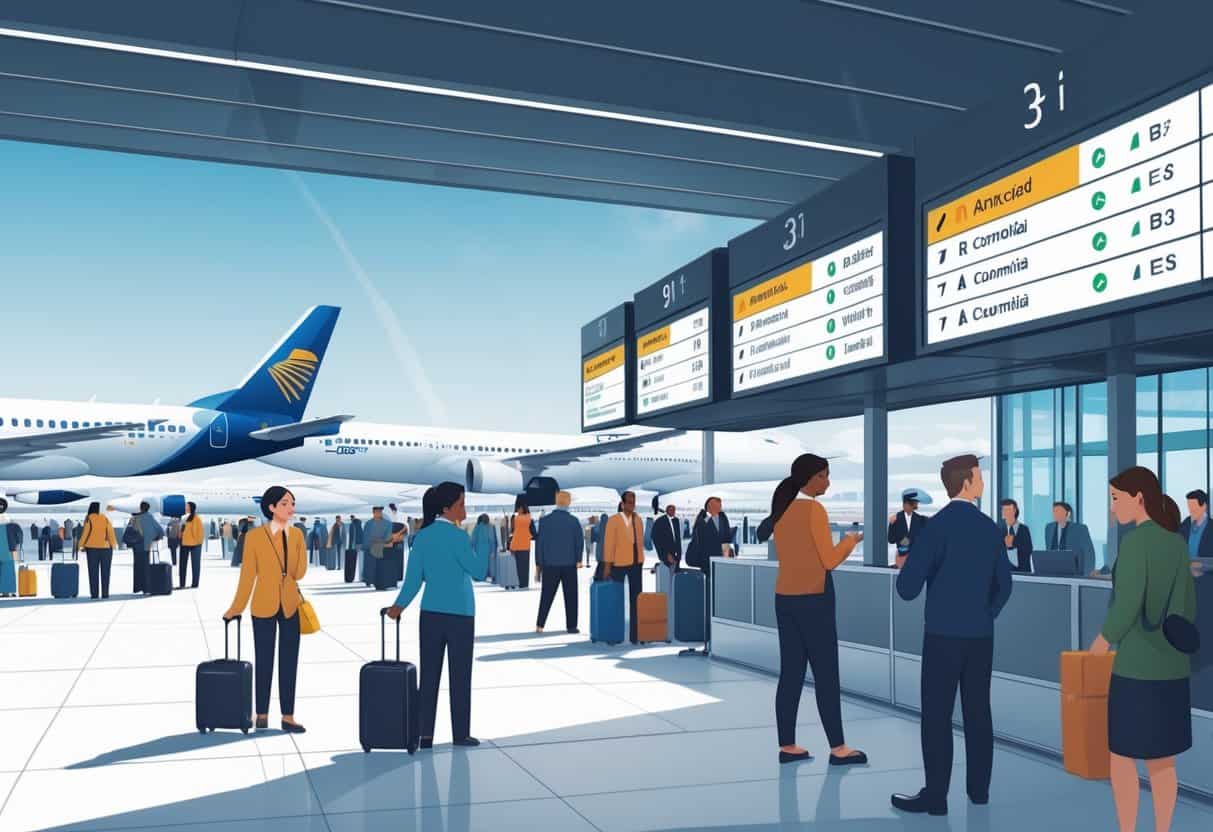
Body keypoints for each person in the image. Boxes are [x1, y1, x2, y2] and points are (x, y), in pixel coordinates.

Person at [892, 454, 1013, 816]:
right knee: (979, 713)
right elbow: (1004, 586)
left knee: (937, 715)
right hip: (980, 636)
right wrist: (984, 614)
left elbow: (907, 588)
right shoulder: (990, 528)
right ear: (966, 483)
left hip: (942, 636)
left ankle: (936, 798)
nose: (982, 482)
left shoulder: (935, 528)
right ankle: (979, 793)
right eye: (979, 476)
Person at [1091, 467, 1196, 832]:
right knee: (1163, 761)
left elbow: (1126, 605)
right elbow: (1188, 608)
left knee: (1122, 757)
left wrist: (1100, 644)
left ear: (1139, 497)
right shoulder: (1177, 544)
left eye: (1116, 499)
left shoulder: (1135, 544)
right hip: (1172, 668)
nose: (1112, 508)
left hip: (1136, 668)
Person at [769, 454, 867, 767]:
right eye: (824, 475)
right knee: (826, 675)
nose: (828, 481)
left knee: (791, 674)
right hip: (814, 599)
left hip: (785, 597)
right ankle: (838, 748)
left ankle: (787, 745)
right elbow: (828, 560)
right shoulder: (813, 509)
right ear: (811, 478)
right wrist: (850, 541)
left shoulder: (782, 509)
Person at [386, 482, 488, 750]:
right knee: (460, 676)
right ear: (447, 508)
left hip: (430, 614)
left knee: (429, 675)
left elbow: (413, 581)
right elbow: (478, 571)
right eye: (461, 504)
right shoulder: (458, 538)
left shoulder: (422, 537)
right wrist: (486, 540)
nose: (465, 509)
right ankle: (460, 734)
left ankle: (425, 735)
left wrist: (398, 607)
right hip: (461, 614)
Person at [224, 486, 308, 734]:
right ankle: (261, 713)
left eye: (292, 503)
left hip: (290, 604)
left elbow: (300, 572)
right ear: (271, 508)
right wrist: (236, 608)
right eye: (285, 503)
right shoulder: (255, 537)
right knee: (264, 660)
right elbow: (247, 576)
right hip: (263, 604)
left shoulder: (297, 536)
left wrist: (296, 549)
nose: (291, 508)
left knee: (289, 662)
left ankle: (288, 716)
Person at [685, 496, 735, 646]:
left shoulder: (723, 517)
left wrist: (728, 555)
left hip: (721, 562)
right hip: (706, 563)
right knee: (708, 597)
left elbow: (726, 538)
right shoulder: (702, 519)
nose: (718, 508)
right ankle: (707, 632)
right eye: (716, 506)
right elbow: (698, 537)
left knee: (719, 596)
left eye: (720, 506)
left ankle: (719, 630)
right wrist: (706, 519)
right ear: (708, 506)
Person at [536, 491, 583, 634]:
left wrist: (539, 564)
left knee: (546, 595)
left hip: (550, 564)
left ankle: (540, 625)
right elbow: (579, 542)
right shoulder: (574, 521)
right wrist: (578, 559)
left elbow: (540, 544)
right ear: (568, 502)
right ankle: (572, 626)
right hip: (569, 564)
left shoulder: (545, 521)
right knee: (571, 596)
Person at [603, 491, 647, 644]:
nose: (632, 505)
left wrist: (641, 559)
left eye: (633, 502)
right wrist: (607, 565)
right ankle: (613, 634)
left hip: (636, 564)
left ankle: (636, 635)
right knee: (616, 600)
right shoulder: (613, 520)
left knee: (637, 600)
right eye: (629, 502)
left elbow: (640, 541)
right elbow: (609, 544)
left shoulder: (638, 519)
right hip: (618, 564)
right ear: (622, 504)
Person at [1043, 501, 1098, 576]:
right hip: (1054, 570)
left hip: (1074, 570)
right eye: (1054, 511)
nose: (1055, 514)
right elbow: (1048, 550)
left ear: (1068, 514)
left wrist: (1088, 574)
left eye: (1058, 511)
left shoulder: (1080, 529)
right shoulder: (1049, 528)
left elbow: (1089, 553)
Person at [79, 502, 118, 599]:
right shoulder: (104, 518)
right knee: (106, 572)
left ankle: (94, 594)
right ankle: (105, 594)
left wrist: (80, 545)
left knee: (93, 572)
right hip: (106, 549)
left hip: (92, 549)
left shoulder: (89, 518)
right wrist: (113, 544)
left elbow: (85, 533)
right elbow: (110, 532)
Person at [888, 489, 928, 568]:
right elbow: (891, 540)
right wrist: (891, 525)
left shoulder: (922, 520)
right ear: (907, 503)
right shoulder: (895, 519)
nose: (917, 504)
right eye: (915, 502)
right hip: (901, 560)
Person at [131, 502, 163, 595]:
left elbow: (131, 530)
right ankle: (146, 588)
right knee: (145, 568)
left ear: (140, 508)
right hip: (146, 546)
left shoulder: (135, 518)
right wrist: (156, 537)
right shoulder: (150, 518)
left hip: (136, 546)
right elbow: (159, 530)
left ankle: (137, 587)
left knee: (137, 567)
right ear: (148, 509)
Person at [997, 498, 1033, 573]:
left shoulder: (1024, 529)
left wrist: (1014, 543)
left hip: (1022, 571)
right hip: (1004, 570)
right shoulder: (998, 529)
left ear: (1015, 511)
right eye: (1003, 510)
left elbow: (1029, 549)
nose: (1005, 512)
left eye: (1008, 509)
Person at [362, 507, 393, 587]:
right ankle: (369, 580)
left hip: (382, 548)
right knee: (369, 565)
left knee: (380, 566)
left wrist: (382, 543)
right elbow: (365, 535)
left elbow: (388, 536)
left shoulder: (387, 523)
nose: (378, 513)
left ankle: (380, 581)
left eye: (379, 511)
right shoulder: (368, 524)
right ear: (373, 512)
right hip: (369, 547)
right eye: (376, 512)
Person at [1179, 489, 1213, 562]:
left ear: (1204, 506)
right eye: (1189, 506)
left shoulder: (1211, 527)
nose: (1190, 510)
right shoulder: (1185, 523)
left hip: (1207, 571)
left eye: (1193, 506)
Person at [509, 499, 535, 589]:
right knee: (525, 567)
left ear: (521, 509)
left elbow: (515, 533)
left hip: (517, 546)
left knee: (518, 568)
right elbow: (533, 533)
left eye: (518, 508)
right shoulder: (529, 518)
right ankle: (525, 583)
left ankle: (520, 583)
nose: (517, 510)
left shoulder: (517, 519)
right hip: (526, 546)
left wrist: (511, 546)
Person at [179, 502, 204, 589]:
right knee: (184, 564)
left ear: (190, 507)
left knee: (194, 564)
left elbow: (199, 532)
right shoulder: (184, 517)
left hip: (194, 544)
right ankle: (183, 584)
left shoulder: (196, 518)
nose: (185, 507)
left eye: (186, 506)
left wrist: (198, 542)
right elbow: (181, 530)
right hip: (186, 543)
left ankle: (193, 583)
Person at [652, 504, 683, 573]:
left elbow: (677, 538)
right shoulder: (660, 521)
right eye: (671, 510)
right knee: (666, 574)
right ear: (666, 511)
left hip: (676, 554)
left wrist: (679, 554)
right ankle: (657, 567)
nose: (673, 512)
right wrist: (665, 554)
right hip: (666, 553)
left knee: (675, 576)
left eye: (674, 510)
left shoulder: (676, 521)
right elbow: (656, 538)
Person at [470, 514, 497, 582]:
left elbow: (473, 539)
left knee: (479, 563)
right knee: (486, 564)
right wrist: (493, 550)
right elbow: (492, 540)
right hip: (487, 548)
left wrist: (471, 548)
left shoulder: (477, 526)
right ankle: (485, 576)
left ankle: (478, 576)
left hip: (478, 549)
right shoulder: (490, 526)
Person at [1, 499, 18, 598]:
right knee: (8, 569)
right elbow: (17, 537)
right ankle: (7, 591)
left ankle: (6, 592)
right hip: (8, 549)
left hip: (7, 548)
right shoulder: (10, 523)